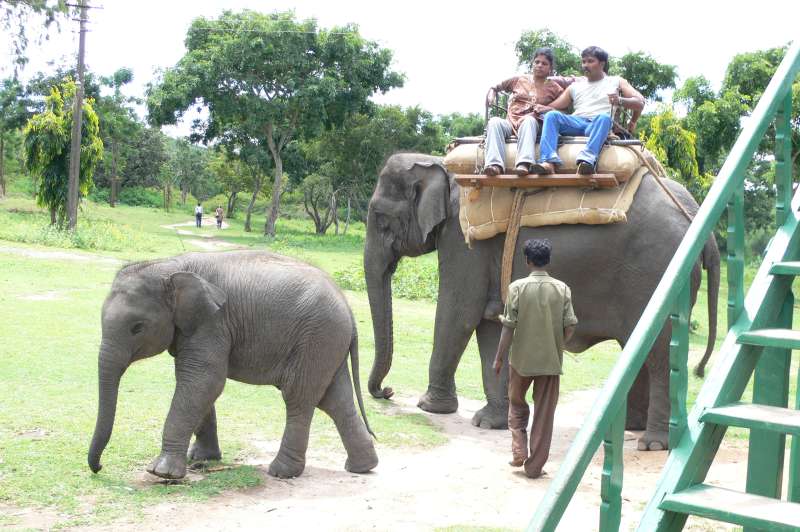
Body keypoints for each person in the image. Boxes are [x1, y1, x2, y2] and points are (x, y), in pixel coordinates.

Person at [493, 238, 577, 478]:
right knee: (544, 414)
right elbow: (571, 325)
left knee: (516, 403)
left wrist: (499, 358)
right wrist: (557, 344)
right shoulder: (562, 289)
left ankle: (519, 448)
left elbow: (508, 327)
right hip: (550, 363)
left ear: (527, 261)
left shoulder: (517, 288)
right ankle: (534, 467)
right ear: (547, 260)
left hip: (520, 361)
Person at [530, 46, 645, 175]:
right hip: (576, 122)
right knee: (551, 115)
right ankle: (547, 162)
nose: (585, 65)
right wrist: (539, 108)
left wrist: (620, 101)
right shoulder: (575, 86)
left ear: (602, 64)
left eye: (590, 61)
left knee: (604, 118)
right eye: (583, 61)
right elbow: (554, 106)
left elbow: (640, 103)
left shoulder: (616, 81)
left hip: (597, 124)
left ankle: (587, 160)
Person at [483, 48, 575, 176]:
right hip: (510, 122)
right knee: (494, 122)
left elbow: (563, 112)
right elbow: (496, 87)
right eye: (537, 62)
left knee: (528, 120)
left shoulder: (554, 87)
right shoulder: (519, 79)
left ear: (550, 68)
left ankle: (524, 163)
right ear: (532, 63)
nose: (539, 65)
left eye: (544, 63)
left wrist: (544, 109)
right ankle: (494, 165)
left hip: (533, 124)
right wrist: (491, 94)